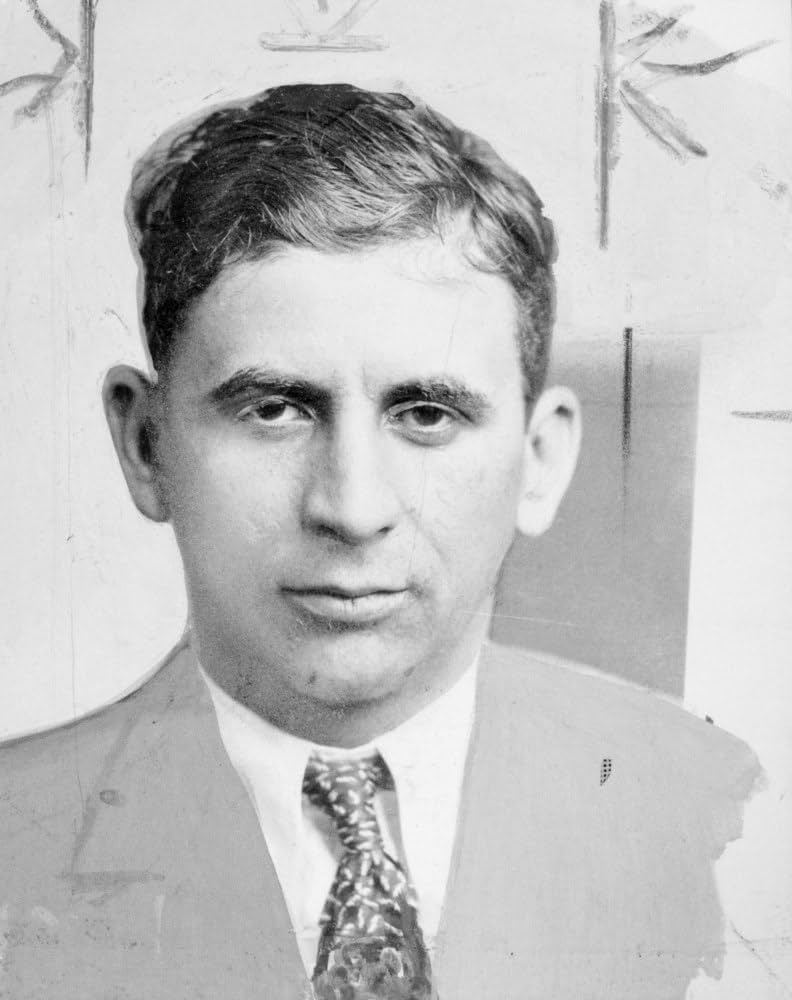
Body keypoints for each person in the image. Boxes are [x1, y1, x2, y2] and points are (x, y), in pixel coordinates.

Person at [0, 83, 760, 1000]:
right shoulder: (13, 839)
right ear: (146, 446)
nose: (353, 509)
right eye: (274, 409)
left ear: (541, 459)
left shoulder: (719, 812)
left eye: (427, 413)